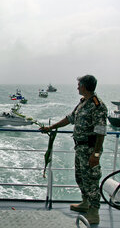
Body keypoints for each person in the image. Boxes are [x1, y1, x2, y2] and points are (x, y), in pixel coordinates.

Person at [40, 75, 107, 224]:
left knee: (91, 181)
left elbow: (101, 131)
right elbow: (70, 118)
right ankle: (85, 203)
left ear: (84, 86)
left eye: (79, 85)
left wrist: (95, 154)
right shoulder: (83, 103)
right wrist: (51, 127)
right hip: (80, 148)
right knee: (81, 178)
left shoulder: (97, 105)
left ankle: (94, 212)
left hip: (90, 150)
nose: (77, 87)